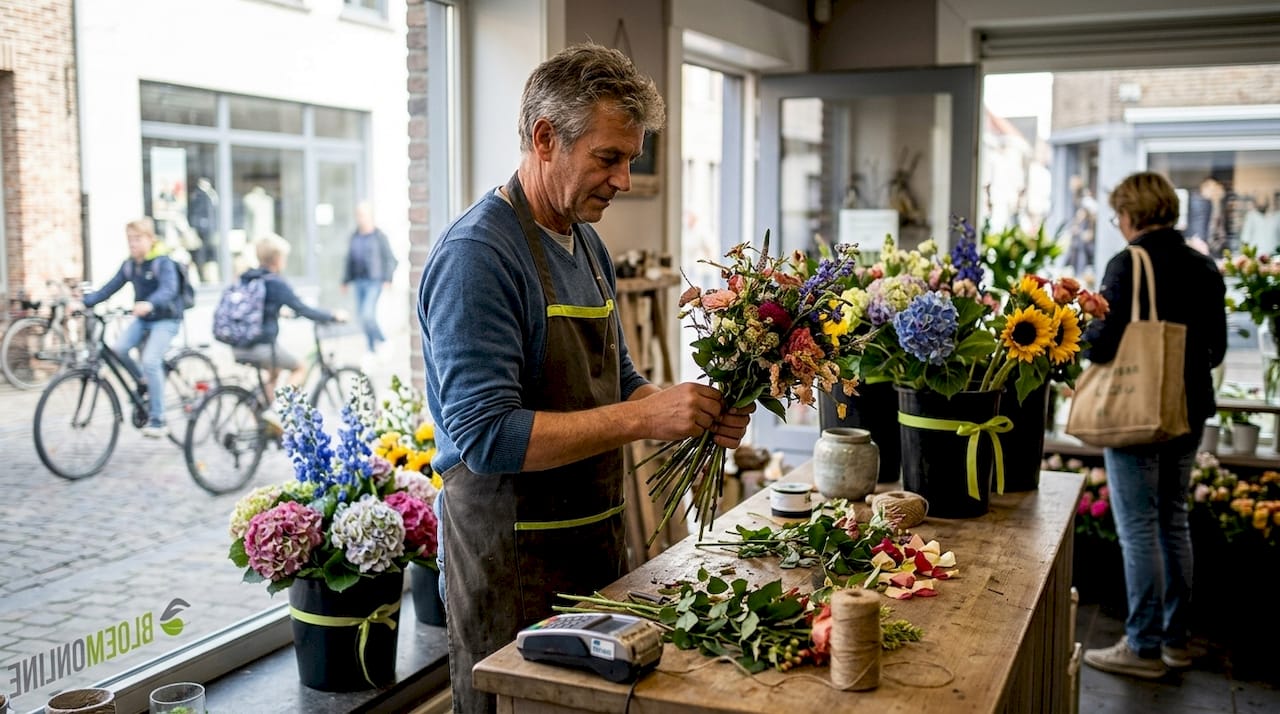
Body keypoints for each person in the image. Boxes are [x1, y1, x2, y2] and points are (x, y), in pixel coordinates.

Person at [417, 43, 753, 714]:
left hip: (596, 549)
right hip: (513, 568)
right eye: (609, 158)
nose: (624, 180)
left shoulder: (587, 241)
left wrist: (685, 409)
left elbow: (620, 380)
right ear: (546, 139)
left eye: (631, 159)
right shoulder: (477, 256)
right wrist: (644, 419)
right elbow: (487, 436)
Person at [1081, 172, 1227, 679]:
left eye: (1117, 213)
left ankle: (1141, 646)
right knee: (1173, 521)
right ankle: (1175, 642)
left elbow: (1101, 345)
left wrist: (1084, 325)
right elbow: (1217, 351)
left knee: (1139, 527)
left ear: (1131, 214)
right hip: (1189, 411)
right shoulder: (1204, 265)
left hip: (1139, 413)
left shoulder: (1129, 263)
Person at [82, 218, 186, 438]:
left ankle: (159, 420)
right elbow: (109, 288)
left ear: (150, 239)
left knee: (150, 360)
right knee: (118, 349)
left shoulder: (162, 262)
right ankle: (144, 381)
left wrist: (150, 303)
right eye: (129, 240)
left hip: (166, 319)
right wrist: (85, 302)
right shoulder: (131, 265)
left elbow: (169, 290)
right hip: (144, 319)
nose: (133, 244)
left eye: (137, 239)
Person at [231, 234, 345, 400]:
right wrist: (332, 315)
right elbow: (304, 309)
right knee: (300, 368)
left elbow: (258, 307)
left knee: (275, 370)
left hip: (238, 344)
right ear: (277, 259)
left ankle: (262, 413)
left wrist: (278, 311)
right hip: (260, 347)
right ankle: (281, 410)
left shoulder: (249, 277)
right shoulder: (275, 282)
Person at [342, 201, 397, 353]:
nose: (360, 218)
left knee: (368, 316)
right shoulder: (354, 236)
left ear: (370, 216)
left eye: (363, 215)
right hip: (359, 282)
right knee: (362, 319)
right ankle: (371, 350)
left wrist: (388, 279)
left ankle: (383, 341)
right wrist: (345, 281)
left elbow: (391, 259)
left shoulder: (379, 236)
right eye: (358, 215)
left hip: (374, 282)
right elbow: (349, 260)